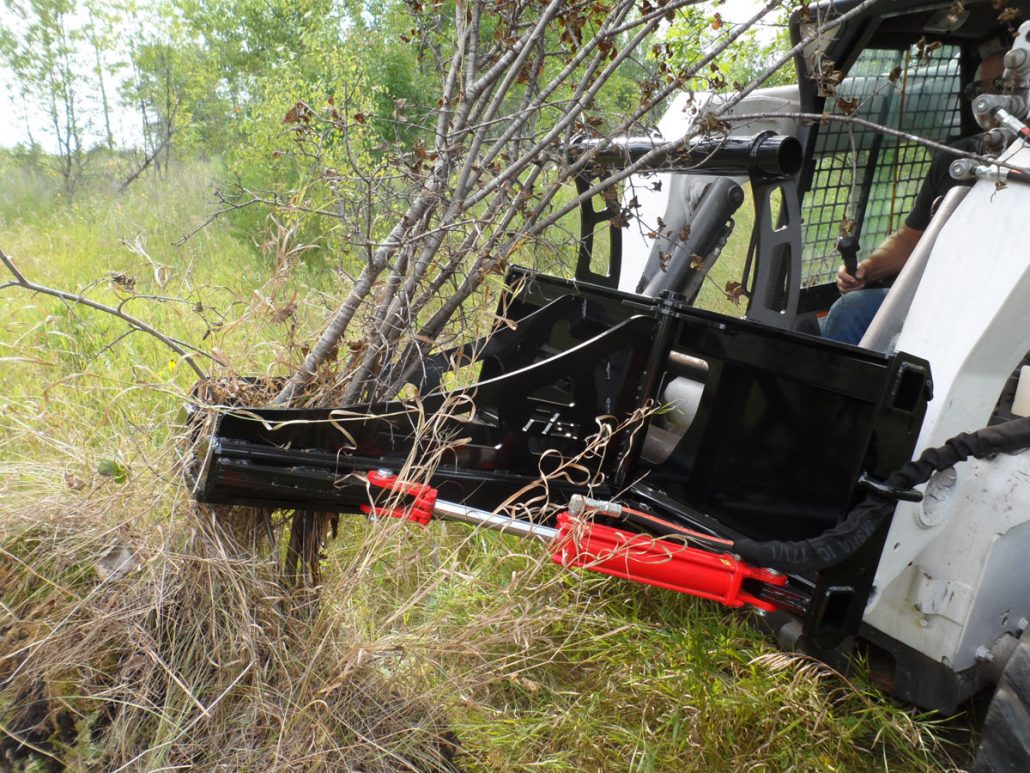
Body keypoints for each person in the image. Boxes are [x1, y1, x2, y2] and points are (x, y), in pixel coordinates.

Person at [821, 48, 1008, 345]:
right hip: (938, 297)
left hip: (1003, 310)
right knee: (852, 311)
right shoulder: (954, 160)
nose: (986, 98)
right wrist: (868, 270)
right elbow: (912, 239)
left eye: (999, 85)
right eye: (977, 89)